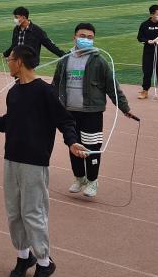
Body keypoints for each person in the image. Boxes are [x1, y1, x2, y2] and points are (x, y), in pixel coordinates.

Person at [0, 45, 88, 277]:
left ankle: (44, 264)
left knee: (33, 213)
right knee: (14, 212)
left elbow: (65, 120)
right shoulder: (14, 91)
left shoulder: (45, 91)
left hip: (35, 162)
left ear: (19, 62)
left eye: (10, 59)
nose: (8, 63)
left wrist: (72, 141)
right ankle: (23, 257)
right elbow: (11, 121)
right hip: (11, 159)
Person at [51, 23, 137, 198]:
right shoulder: (65, 59)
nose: (86, 39)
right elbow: (56, 84)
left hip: (92, 112)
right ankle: (79, 178)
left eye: (90, 37)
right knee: (73, 145)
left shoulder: (99, 61)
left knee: (91, 147)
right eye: (82, 36)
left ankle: (92, 181)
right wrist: (50, 104)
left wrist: (124, 107)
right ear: (74, 37)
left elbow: (112, 87)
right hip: (69, 112)